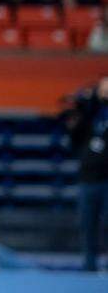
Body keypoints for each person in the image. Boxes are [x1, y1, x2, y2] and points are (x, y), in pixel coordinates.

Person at [66, 78, 108, 271]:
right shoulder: (89, 112)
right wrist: (85, 104)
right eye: (103, 87)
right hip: (88, 178)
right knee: (87, 224)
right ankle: (89, 264)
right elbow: (74, 137)